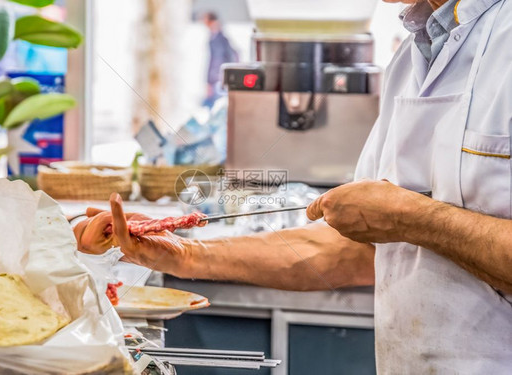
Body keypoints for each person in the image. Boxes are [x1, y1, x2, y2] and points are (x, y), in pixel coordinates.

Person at [75, 0, 512, 372]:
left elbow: (405, 225)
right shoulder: (412, 58)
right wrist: (188, 253)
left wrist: (410, 218)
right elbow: (357, 252)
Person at [201, 12, 238, 107]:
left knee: (213, 105)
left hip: (218, 80)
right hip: (216, 80)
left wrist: (214, 80)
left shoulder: (220, 39)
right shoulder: (215, 38)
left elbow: (218, 60)